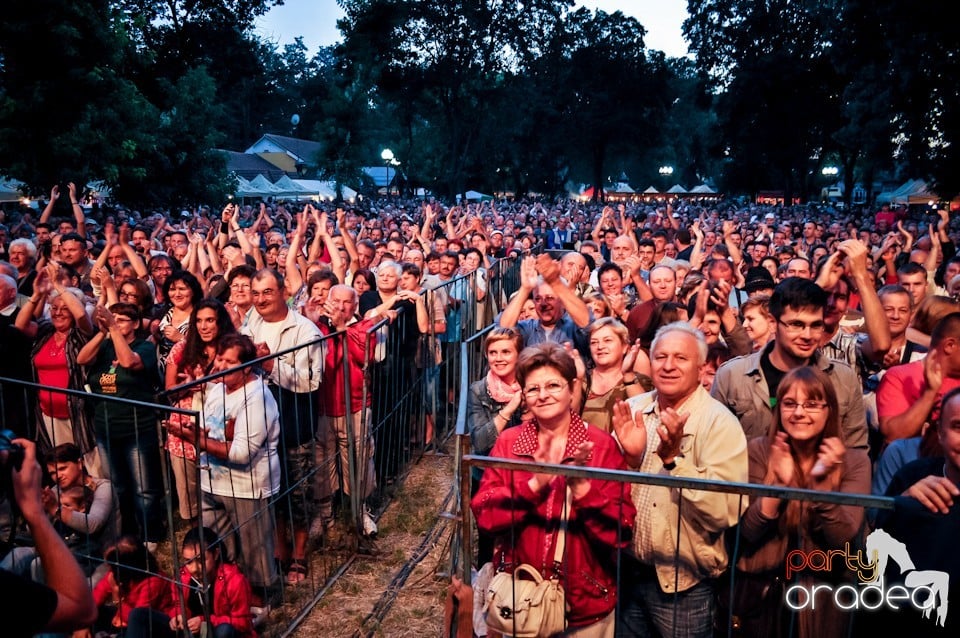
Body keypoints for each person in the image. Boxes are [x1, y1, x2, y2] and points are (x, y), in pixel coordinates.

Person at [470, 342, 636, 635]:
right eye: (533, 389)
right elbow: (485, 514)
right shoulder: (510, 443)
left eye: (553, 385)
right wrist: (534, 485)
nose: (543, 395)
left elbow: (620, 529)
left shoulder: (600, 446)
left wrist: (583, 491)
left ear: (572, 389)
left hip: (583, 603)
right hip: (520, 597)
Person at [612, 322, 748, 638]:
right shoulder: (633, 409)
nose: (669, 365)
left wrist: (674, 462)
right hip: (628, 572)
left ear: (701, 369)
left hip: (684, 585)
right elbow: (609, 493)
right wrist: (631, 462)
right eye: (660, 357)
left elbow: (723, 512)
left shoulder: (719, 423)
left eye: (680, 358)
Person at [727, 366, 870, 637]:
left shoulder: (854, 461)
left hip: (823, 601)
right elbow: (747, 533)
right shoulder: (759, 450)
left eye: (812, 404)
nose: (799, 412)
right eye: (789, 403)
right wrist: (779, 486)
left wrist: (819, 486)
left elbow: (846, 541)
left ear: (830, 410)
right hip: (763, 598)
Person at [165, 333, 281, 605]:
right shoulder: (217, 389)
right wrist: (190, 430)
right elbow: (208, 428)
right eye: (220, 359)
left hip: (247, 486)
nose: (221, 366)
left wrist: (195, 439)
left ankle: (263, 601)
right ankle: (227, 595)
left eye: (230, 362)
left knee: (255, 551)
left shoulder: (257, 397)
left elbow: (240, 453)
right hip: (212, 482)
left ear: (247, 366)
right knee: (217, 546)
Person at [711, 277, 868, 450]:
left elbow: (856, 453)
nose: (807, 335)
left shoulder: (844, 379)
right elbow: (714, 448)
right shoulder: (732, 376)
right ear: (773, 323)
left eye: (816, 325)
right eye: (796, 325)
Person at [241, 267, 323, 586]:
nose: (261, 299)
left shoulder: (305, 331)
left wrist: (271, 364)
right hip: (261, 422)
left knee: (298, 490)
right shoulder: (252, 320)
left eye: (268, 292)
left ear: (282, 292)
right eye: (256, 292)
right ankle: (279, 546)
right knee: (271, 489)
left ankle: (300, 553)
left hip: (294, 419)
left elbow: (310, 381)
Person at [77, 302, 165, 546]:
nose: (116, 322)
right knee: (120, 487)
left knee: (144, 489)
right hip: (106, 428)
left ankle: (151, 534)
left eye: (123, 319)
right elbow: (81, 358)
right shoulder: (104, 345)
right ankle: (127, 532)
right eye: (112, 318)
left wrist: (113, 329)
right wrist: (104, 332)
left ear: (136, 324)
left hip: (136, 428)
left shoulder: (144, 347)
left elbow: (129, 363)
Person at [1, 438, 97, 638]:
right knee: (20, 556)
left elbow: (93, 523)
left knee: (35, 564)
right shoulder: (52, 492)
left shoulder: (100, 488)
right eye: (53, 472)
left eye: (62, 469)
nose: (57, 476)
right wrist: (37, 512)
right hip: (53, 553)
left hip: (82, 559)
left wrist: (55, 509)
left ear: (79, 463)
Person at [314, 284, 381, 539]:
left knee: (360, 459)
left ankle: (360, 510)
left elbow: (364, 357)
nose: (341, 307)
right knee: (322, 463)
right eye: (336, 301)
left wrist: (342, 328)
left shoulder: (364, 326)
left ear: (355, 306)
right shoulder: (318, 327)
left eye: (347, 303)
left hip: (355, 406)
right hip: (324, 407)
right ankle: (324, 515)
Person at [164, 298, 238, 522]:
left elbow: (243, 384)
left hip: (220, 426)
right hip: (185, 424)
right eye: (199, 321)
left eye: (210, 320)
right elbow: (169, 389)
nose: (204, 326)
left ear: (220, 322)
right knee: (190, 494)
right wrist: (187, 386)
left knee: (223, 492)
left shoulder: (233, 349)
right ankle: (198, 545)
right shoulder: (182, 348)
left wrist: (209, 384)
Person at [122, 525, 257, 638]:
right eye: (188, 561)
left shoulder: (234, 581)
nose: (194, 568)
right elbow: (175, 604)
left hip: (215, 632)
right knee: (138, 615)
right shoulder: (182, 576)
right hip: (188, 632)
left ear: (216, 554)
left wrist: (205, 621)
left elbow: (244, 622)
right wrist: (178, 616)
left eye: (201, 560)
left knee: (224, 631)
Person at [466, 327, 525, 565]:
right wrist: (510, 409)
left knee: (521, 545)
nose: (498, 358)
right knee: (488, 545)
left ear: (519, 354)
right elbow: (480, 442)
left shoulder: (532, 386)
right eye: (493, 352)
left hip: (524, 479)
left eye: (505, 352)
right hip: (487, 477)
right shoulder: (479, 390)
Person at [579, 317, 650, 433]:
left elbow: (644, 416)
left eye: (607, 340)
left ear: (624, 347)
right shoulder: (581, 380)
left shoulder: (640, 381)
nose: (600, 347)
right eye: (594, 342)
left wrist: (628, 375)